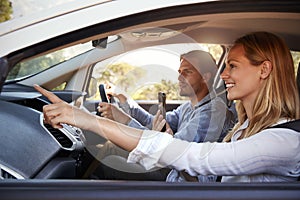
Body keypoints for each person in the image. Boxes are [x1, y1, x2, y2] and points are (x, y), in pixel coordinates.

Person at [35, 31, 300, 182]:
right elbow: (169, 134)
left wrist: (90, 121)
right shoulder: (245, 127)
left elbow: (192, 157)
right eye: (225, 65)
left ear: (264, 70)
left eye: (233, 66)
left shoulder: (282, 141)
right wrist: (125, 111)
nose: (225, 75)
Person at [95, 50, 236, 182]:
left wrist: (124, 119)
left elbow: (171, 152)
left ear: (205, 77)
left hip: (180, 179)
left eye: (187, 72)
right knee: (109, 146)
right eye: (180, 72)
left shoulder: (213, 112)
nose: (180, 78)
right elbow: (153, 122)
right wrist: (123, 99)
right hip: (169, 166)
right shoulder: (188, 107)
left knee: (110, 163)